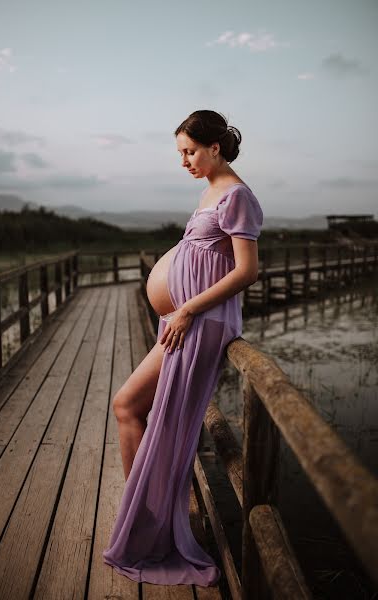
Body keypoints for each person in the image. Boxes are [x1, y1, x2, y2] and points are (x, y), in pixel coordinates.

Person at [102, 109, 263, 587]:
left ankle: (146, 527)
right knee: (133, 407)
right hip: (185, 321)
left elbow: (245, 271)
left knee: (140, 409)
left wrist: (189, 309)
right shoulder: (211, 189)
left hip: (202, 323)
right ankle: (144, 521)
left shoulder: (239, 196)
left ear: (215, 146)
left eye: (190, 151)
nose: (185, 161)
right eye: (180, 153)